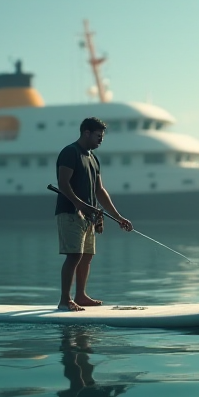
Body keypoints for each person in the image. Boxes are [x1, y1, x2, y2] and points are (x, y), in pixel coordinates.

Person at [54, 117, 133, 311]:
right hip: (70, 212)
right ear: (86, 133)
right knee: (74, 256)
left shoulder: (93, 158)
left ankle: (81, 296)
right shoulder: (69, 152)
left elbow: (99, 190)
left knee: (87, 256)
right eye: (98, 136)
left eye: (102, 136)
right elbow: (63, 184)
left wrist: (118, 217)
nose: (101, 140)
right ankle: (65, 300)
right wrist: (80, 205)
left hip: (89, 215)